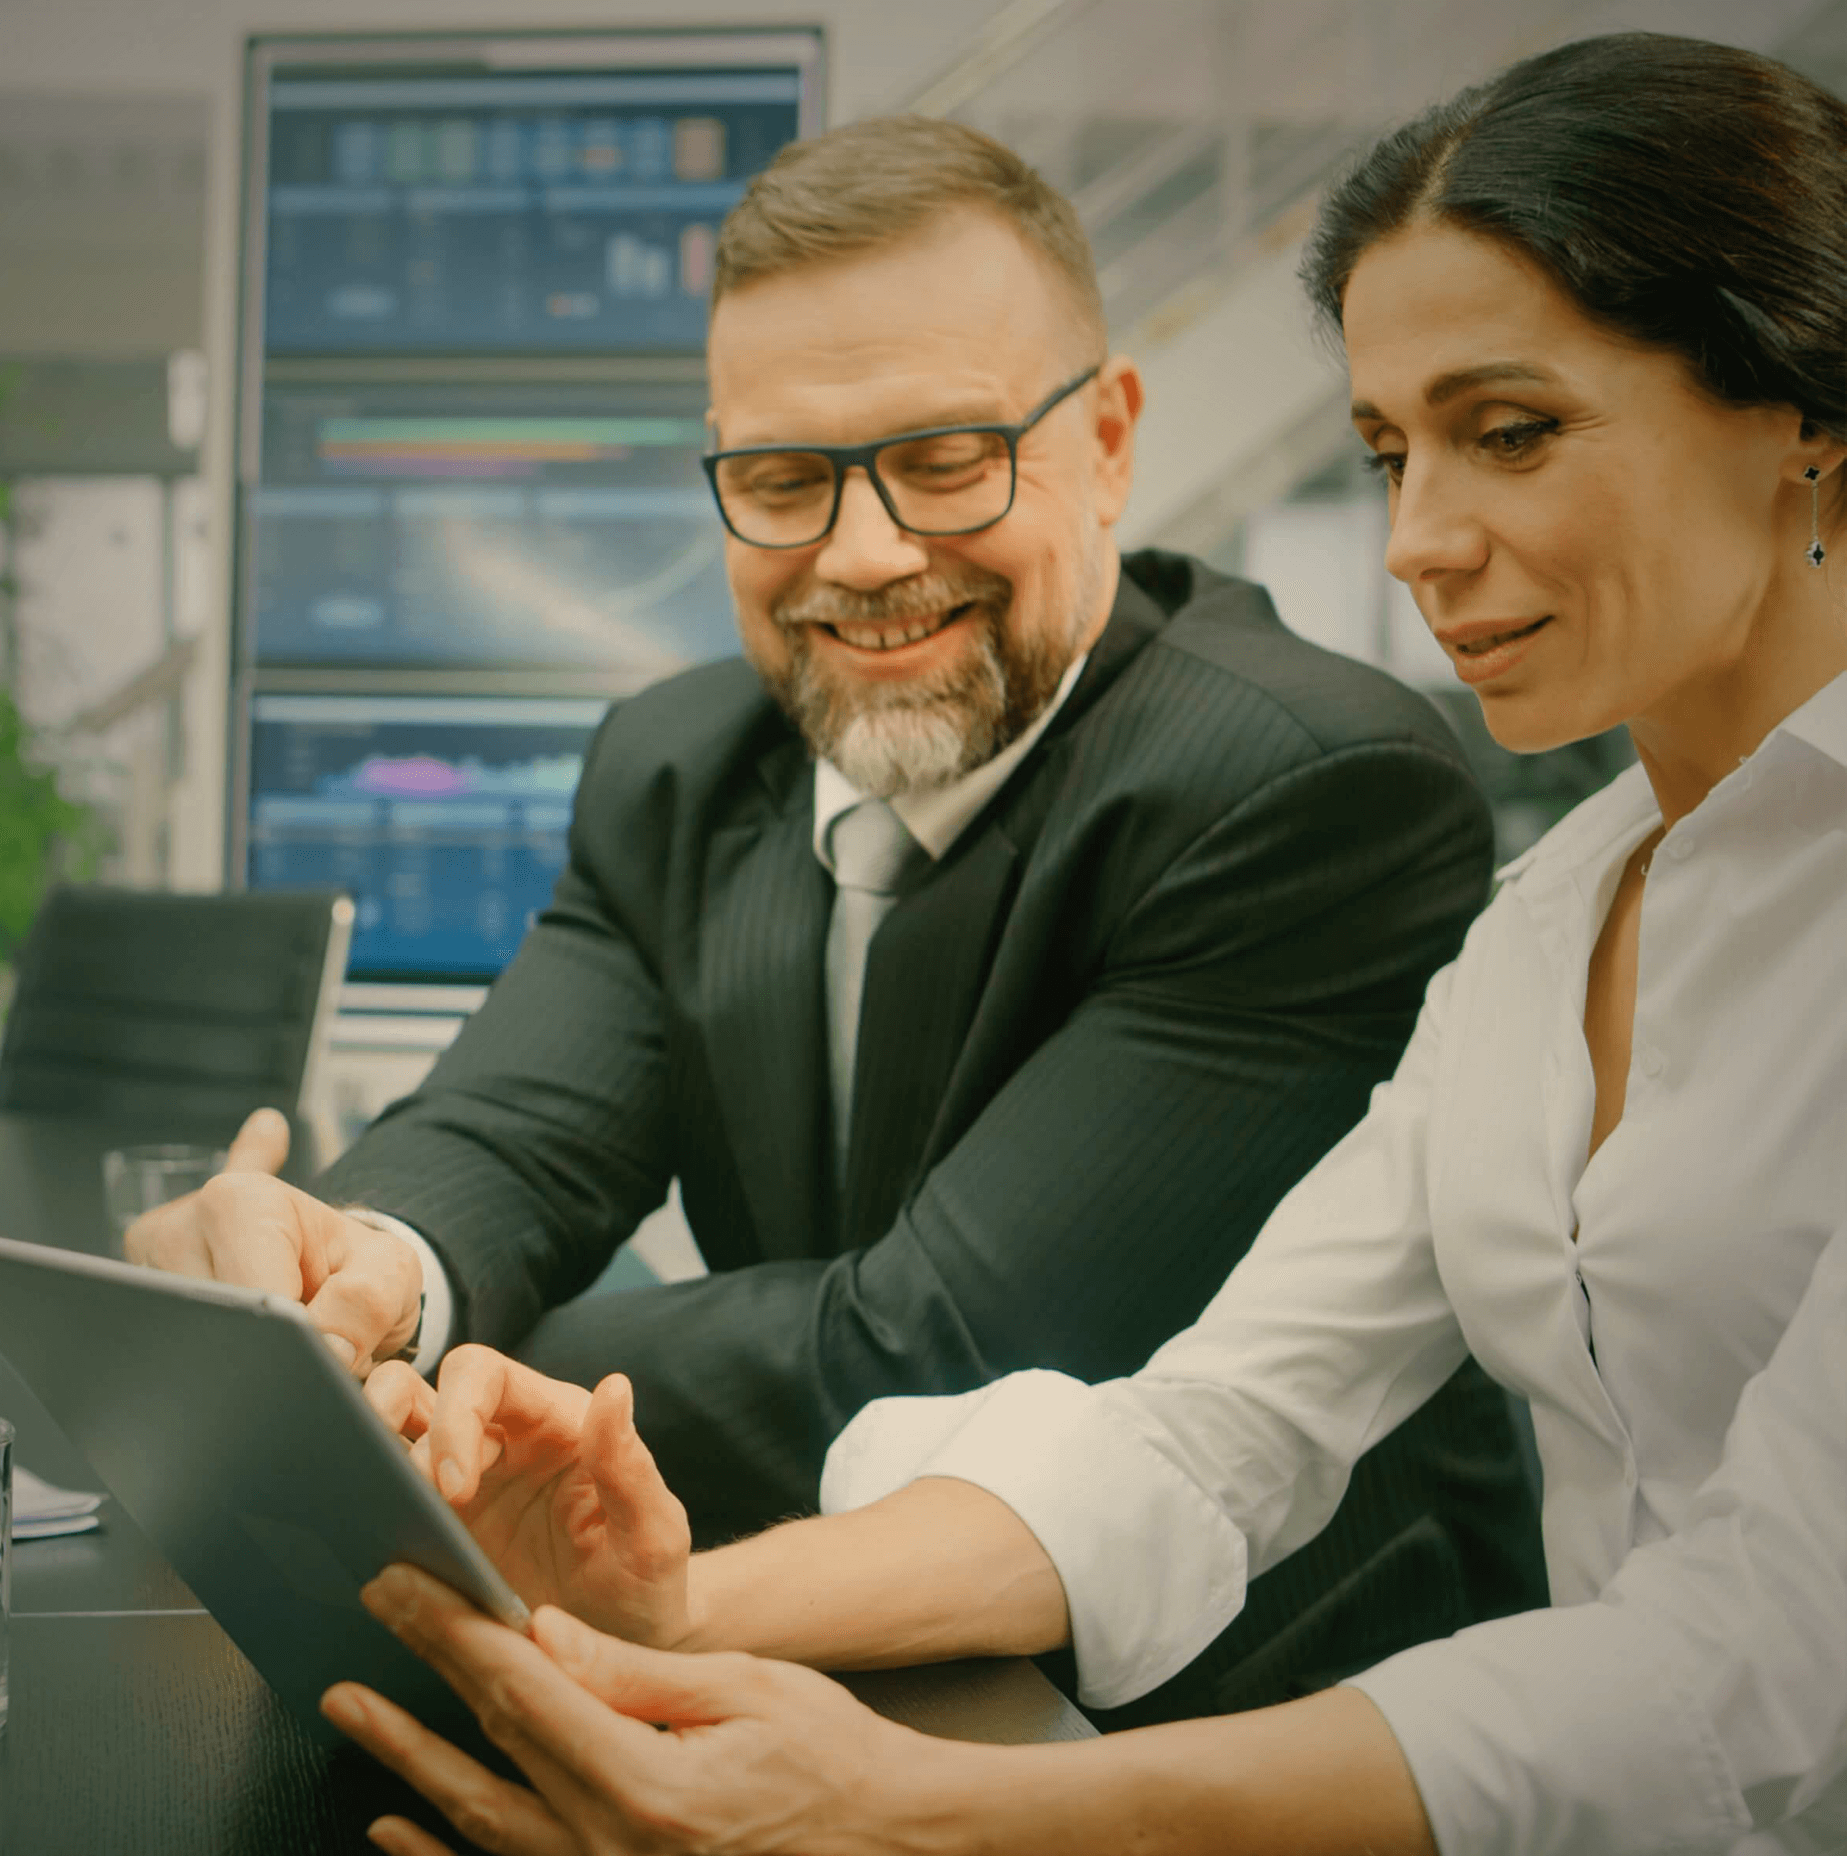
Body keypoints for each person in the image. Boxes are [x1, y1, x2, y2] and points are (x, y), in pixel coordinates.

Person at [315, 33, 1846, 1856]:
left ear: (1799, 404)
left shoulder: (1321, 785)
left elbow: (1764, 1656)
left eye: (1512, 430)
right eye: (1391, 450)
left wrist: (922, 1824)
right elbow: (1211, 1432)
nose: (1414, 539)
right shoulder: (1555, 918)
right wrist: (669, 1610)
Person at [136, 116, 1543, 1714]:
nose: (864, 556)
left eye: (947, 459)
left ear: (1112, 442)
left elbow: (938, 1342)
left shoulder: (1306, 789)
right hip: (794, 1654)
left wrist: (443, 1398)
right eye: (785, 480)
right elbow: (520, 1138)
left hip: (1267, 1772)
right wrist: (352, 1279)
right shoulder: (679, 759)